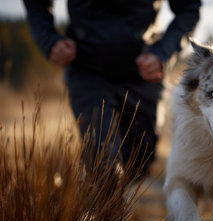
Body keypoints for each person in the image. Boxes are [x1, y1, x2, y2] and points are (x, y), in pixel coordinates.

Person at [23, 0, 201, 179]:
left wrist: (162, 53)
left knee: (139, 163)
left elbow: (188, 8)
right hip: (88, 70)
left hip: (144, 70)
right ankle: (93, 199)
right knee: (104, 164)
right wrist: (49, 40)